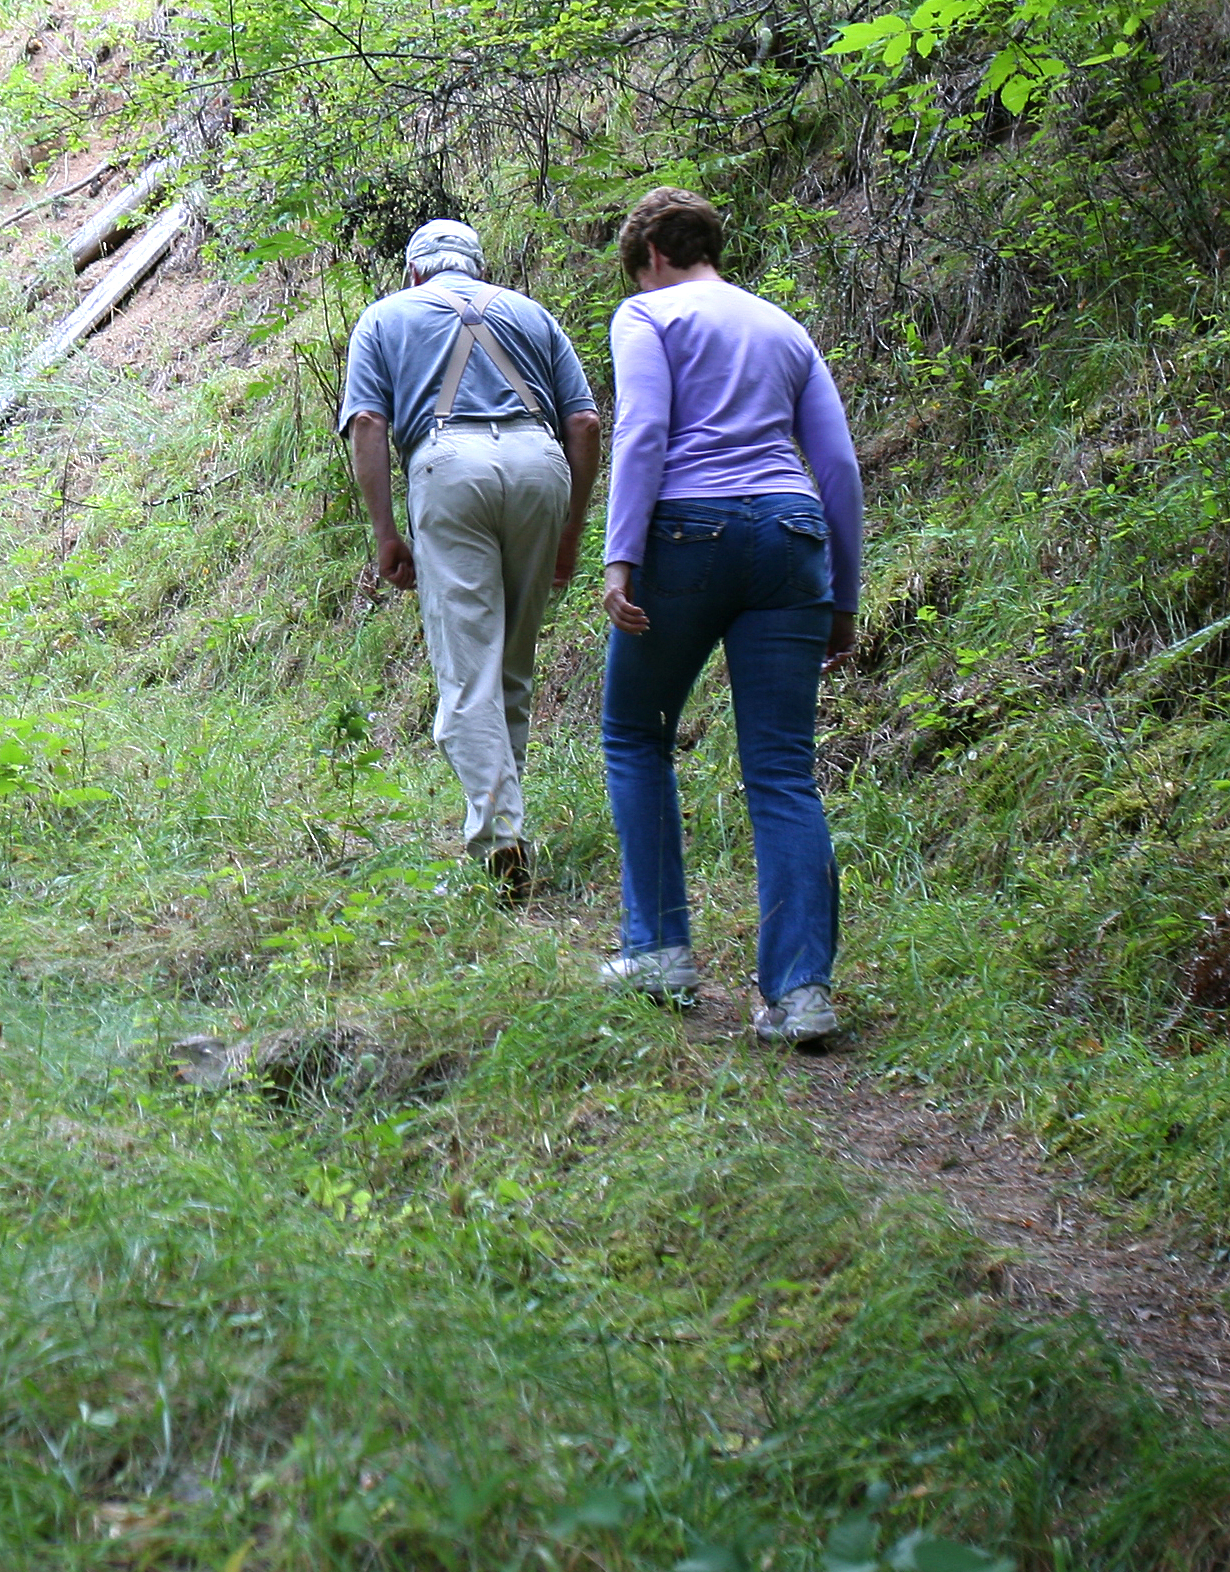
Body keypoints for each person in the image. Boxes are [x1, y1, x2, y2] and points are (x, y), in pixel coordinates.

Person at [594, 187, 862, 1046]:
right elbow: (841, 467)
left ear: (653, 257)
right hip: (792, 537)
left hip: (688, 534)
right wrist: (845, 597)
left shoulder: (649, 315)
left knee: (637, 732)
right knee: (783, 770)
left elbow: (642, 431)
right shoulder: (784, 328)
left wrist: (620, 556)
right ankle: (800, 993)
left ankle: (660, 949)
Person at [339, 219, 604, 900]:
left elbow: (369, 423)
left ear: (414, 273)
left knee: (466, 667)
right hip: (540, 464)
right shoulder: (531, 313)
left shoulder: (384, 316)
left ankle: (499, 837)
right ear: (478, 268)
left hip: (451, 466)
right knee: (512, 661)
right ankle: (503, 824)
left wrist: (385, 530)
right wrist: (572, 532)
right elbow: (584, 423)